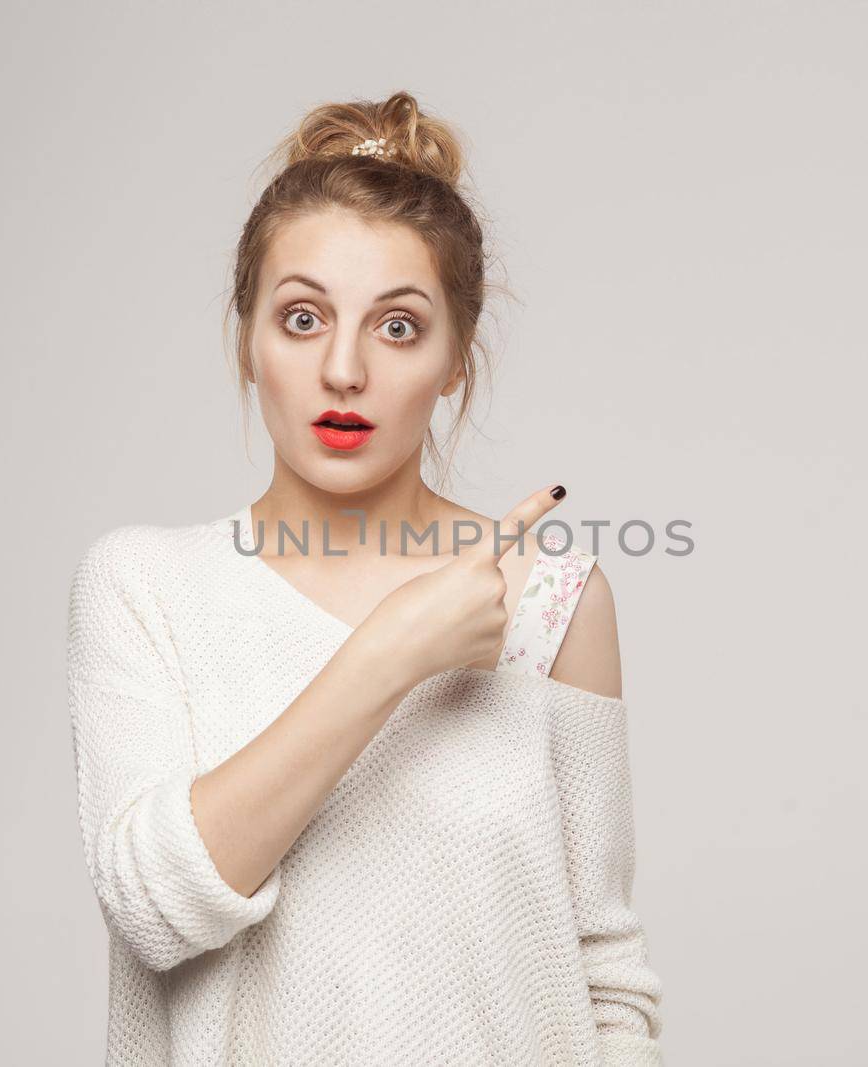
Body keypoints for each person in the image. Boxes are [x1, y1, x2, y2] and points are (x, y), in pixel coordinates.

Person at [66, 90, 665, 1065]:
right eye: (302, 317)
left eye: (396, 327)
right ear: (247, 341)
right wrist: (391, 651)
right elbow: (154, 906)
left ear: (455, 359)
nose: (342, 369)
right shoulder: (144, 586)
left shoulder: (552, 602)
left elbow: (605, 970)